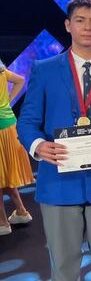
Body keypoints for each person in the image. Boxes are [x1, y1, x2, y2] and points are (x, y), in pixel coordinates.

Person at [17, 0, 91, 281]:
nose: (87, 28)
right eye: (80, 21)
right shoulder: (44, 69)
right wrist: (38, 145)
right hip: (59, 182)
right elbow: (28, 122)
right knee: (65, 269)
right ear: (68, 25)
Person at [0, 59, 34, 236]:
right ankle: (21, 211)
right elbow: (21, 80)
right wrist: (8, 101)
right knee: (4, 174)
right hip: (10, 126)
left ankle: (3, 223)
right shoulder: (1, 71)